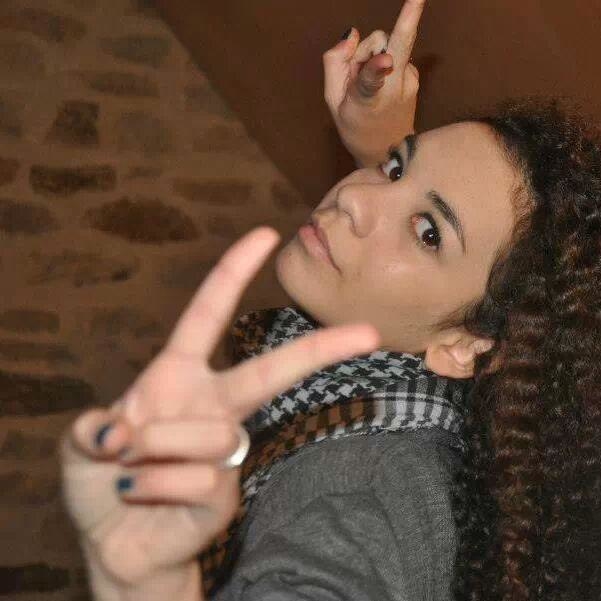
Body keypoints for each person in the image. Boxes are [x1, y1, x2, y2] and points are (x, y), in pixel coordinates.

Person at [60, 1, 601, 600]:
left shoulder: (359, 483)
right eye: (394, 168)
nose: (354, 198)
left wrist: (147, 585)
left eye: (428, 233)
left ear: (465, 346)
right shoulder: (427, 434)